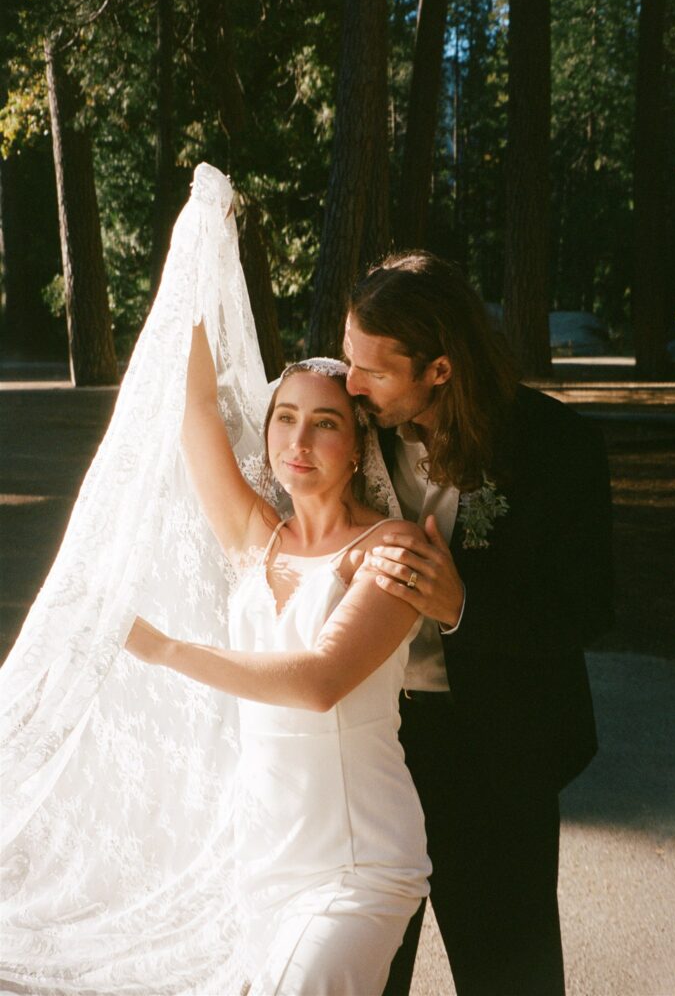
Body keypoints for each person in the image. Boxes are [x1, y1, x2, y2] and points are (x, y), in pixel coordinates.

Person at [341, 251, 614, 996]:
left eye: (374, 369)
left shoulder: (557, 447)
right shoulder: (342, 424)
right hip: (365, 756)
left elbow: (589, 604)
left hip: (497, 758)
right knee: (360, 977)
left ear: (439, 369)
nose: (351, 383)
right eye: (347, 357)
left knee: (510, 978)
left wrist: (464, 608)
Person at [125, 342, 431, 995]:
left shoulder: (389, 548)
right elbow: (196, 406)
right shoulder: (253, 538)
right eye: (284, 417)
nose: (298, 438)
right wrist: (200, 240)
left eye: (324, 423)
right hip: (261, 856)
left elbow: (319, 683)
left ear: (356, 448)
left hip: (359, 860)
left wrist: (168, 651)